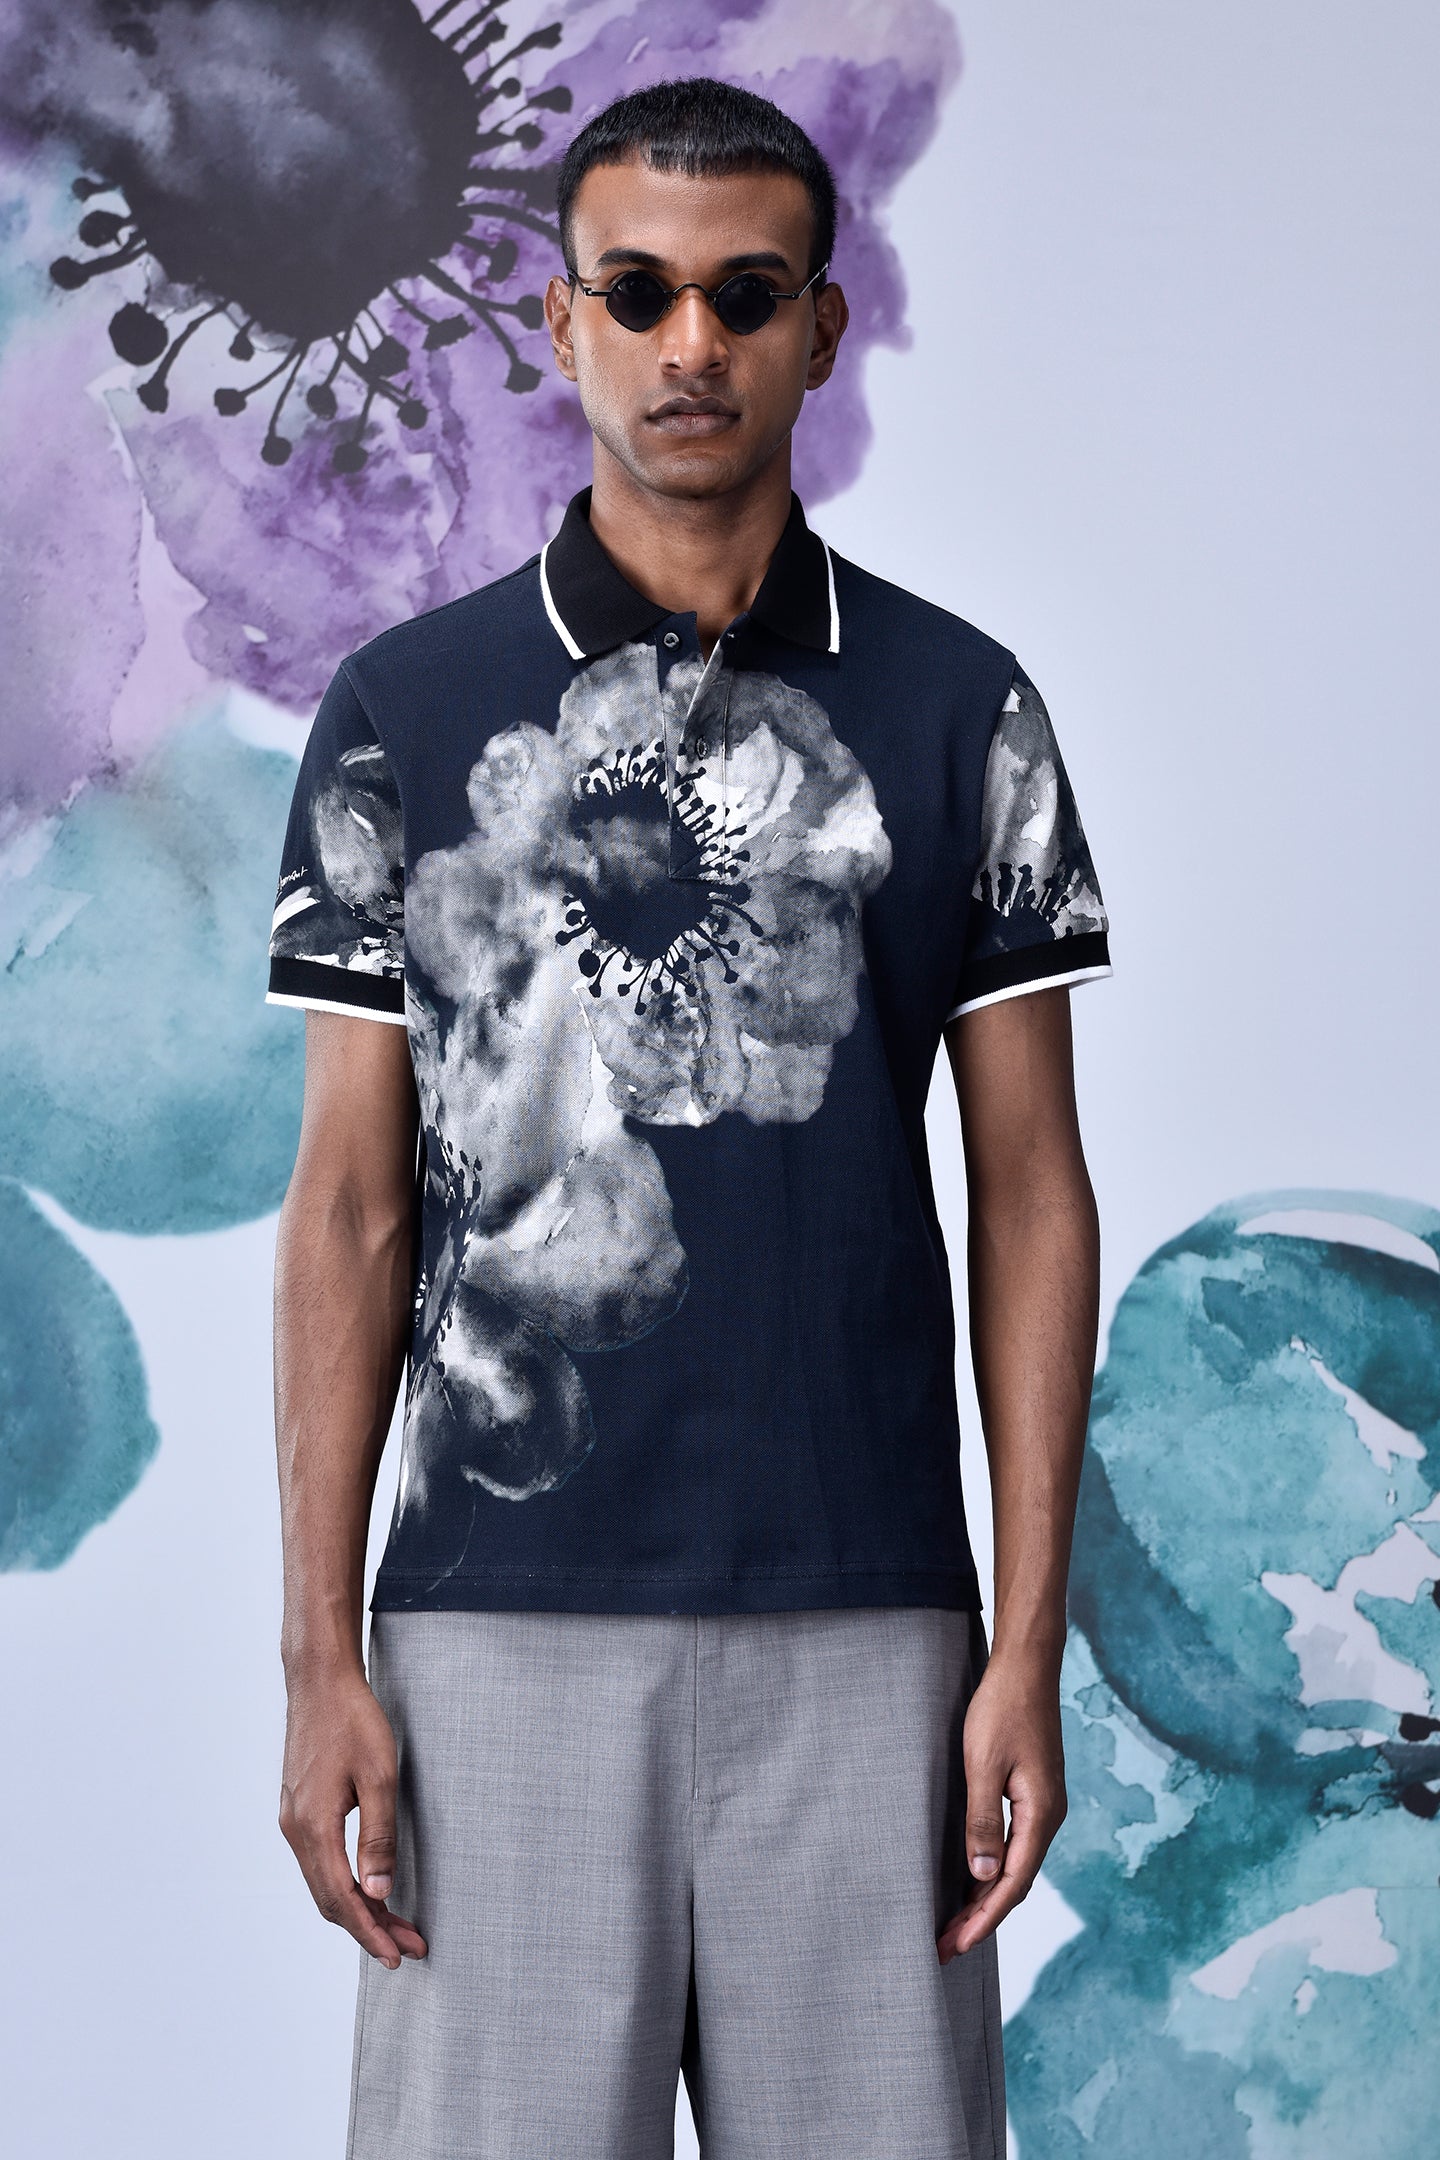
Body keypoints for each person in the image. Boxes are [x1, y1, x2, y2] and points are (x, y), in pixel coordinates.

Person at [267, 76, 1109, 2160]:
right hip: (492, 1623)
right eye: (636, 291)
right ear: (561, 322)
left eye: (746, 293)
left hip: (876, 1632)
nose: (690, 342)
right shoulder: (401, 714)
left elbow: (1030, 1197)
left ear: (824, 327)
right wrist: (315, 1660)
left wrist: (1022, 1645)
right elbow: (352, 1209)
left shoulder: (962, 709)